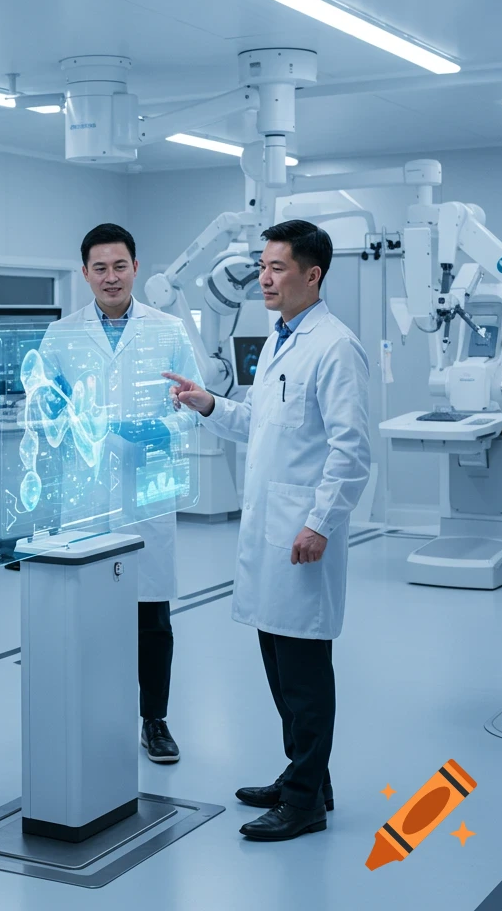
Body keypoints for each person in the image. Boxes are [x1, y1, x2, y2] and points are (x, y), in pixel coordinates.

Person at [167, 219, 370, 842]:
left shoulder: (335, 347)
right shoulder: (281, 339)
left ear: (313, 276)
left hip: (300, 539)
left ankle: (305, 799)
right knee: (280, 669)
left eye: (277, 268)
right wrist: (208, 405)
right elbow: (258, 421)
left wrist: (319, 523)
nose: (264, 277)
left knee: (305, 677)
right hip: (269, 535)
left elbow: (352, 451)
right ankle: (307, 776)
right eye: (263, 266)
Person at [39, 223, 201, 764]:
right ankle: (92, 715)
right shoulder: (60, 336)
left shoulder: (171, 330)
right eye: (99, 268)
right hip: (84, 498)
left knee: (151, 618)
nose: (110, 277)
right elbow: (41, 412)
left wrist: (165, 430)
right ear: (84, 273)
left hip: (145, 495)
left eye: (120, 266)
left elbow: (196, 408)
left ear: (136, 268)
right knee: (85, 618)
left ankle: (154, 720)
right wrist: (57, 416)